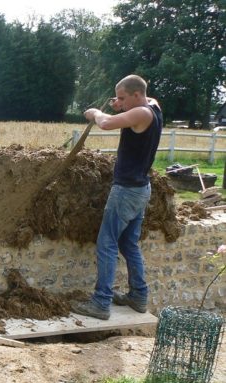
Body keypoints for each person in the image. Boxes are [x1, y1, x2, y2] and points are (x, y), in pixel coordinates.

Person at [71, 74, 163, 320]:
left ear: (136, 95)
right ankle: (138, 296)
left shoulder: (143, 113)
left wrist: (95, 113)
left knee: (107, 243)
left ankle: (101, 302)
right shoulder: (153, 105)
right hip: (141, 189)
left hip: (126, 190)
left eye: (123, 97)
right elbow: (134, 103)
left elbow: (107, 124)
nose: (119, 101)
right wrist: (121, 104)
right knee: (128, 243)